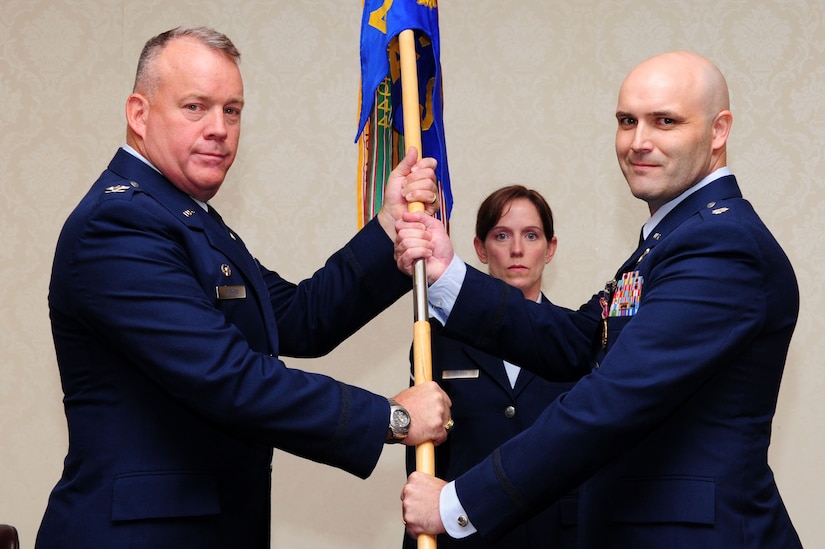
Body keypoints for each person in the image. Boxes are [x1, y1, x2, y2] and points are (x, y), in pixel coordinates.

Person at [36, 26, 452, 549]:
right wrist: (390, 418)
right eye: (195, 107)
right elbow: (229, 376)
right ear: (139, 114)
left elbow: (300, 316)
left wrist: (390, 226)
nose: (219, 128)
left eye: (232, 110)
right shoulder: (119, 224)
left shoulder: (188, 220)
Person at [395, 50, 802, 548]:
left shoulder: (721, 246)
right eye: (627, 121)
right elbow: (577, 340)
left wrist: (458, 503)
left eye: (665, 122)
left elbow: (610, 400)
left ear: (719, 131)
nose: (638, 142)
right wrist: (446, 274)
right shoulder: (669, 241)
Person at [403, 185, 577, 549]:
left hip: (557, 534)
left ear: (551, 248)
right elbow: (424, 460)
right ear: (480, 249)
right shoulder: (436, 342)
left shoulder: (577, 339)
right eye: (502, 235)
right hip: (465, 535)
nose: (517, 249)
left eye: (531, 235)